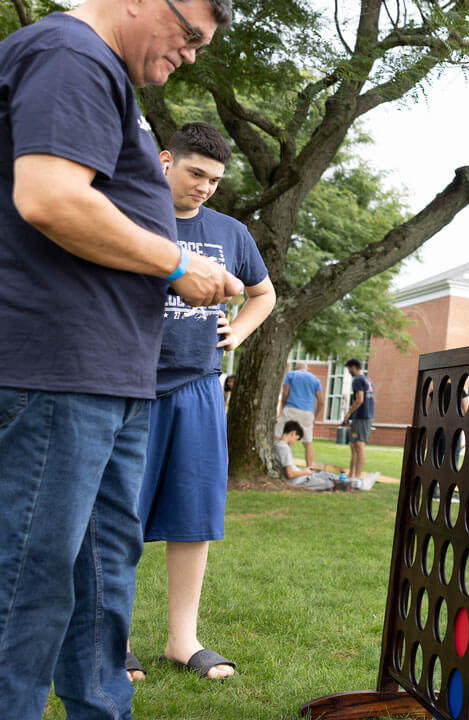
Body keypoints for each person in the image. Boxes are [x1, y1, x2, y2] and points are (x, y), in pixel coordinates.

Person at [0, 1, 238, 716]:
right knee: (28, 583)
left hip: (110, 381)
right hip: (58, 374)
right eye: (189, 34)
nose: (192, 54)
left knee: (103, 578)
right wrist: (176, 265)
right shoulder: (68, 55)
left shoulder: (104, 73)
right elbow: (49, 198)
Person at [128, 123, 277, 682]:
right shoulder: (132, 215)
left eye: (215, 180)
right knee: (119, 517)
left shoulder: (231, 232)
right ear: (165, 161)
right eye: (196, 174)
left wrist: (237, 333)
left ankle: (181, 641)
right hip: (133, 384)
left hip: (199, 386)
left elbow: (263, 294)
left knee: (193, 518)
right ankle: (109, 639)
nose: (205, 187)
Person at [274, 421, 373, 491]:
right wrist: (304, 472)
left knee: (326, 475)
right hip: (300, 480)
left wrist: (304, 471)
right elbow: (290, 474)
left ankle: (355, 481)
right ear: (293, 433)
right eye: (296, 438)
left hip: (302, 477)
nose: (295, 441)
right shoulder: (284, 448)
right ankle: (360, 484)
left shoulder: (276, 444)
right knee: (328, 483)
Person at [277, 363, 324, 467]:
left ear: (296, 368)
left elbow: (285, 392)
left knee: (279, 437)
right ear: (307, 369)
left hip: (291, 409)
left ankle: (276, 464)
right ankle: (309, 468)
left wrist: (283, 407)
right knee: (308, 444)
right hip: (307, 413)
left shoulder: (291, 375)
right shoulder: (315, 379)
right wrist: (314, 416)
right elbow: (321, 402)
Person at [342, 358, 375, 481]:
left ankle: (356, 476)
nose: (349, 371)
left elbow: (360, 400)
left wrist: (348, 413)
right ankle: (351, 474)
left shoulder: (358, 380)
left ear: (353, 367)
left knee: (359, 445)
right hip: (365, 416)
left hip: (361, 417)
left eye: (349, 369)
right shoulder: (368, 379)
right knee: (354, 445)